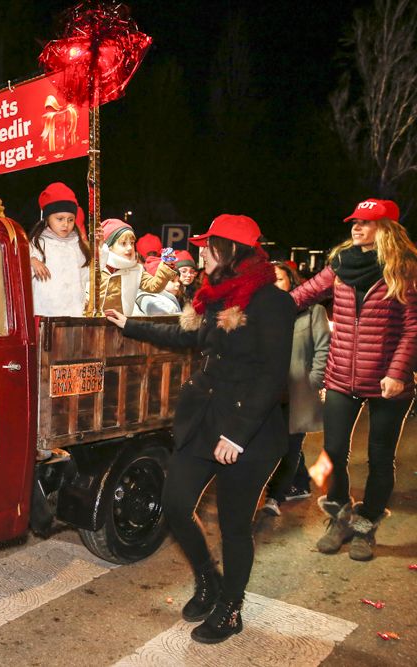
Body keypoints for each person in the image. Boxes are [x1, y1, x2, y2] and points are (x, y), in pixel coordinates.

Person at [106, 214, 294, 644]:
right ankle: (208, 580)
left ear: (229, 251)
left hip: (248, 430)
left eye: (209, 246)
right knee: (174, 504)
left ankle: (231, 608)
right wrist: (129, 324)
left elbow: (273, 376)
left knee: (233, 526)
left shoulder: (271, 302)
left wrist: (239, 435)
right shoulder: (211, 297)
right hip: (204, 419)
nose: (202, 253)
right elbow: (186, 337)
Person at [291, 198, 417, 561]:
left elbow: (412, 329)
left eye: (366, 222)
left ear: (387, 229)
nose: (356, 227)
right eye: (355, 222)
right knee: (332, 451)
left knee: (379, 458)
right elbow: (306, 292)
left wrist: (397, 373)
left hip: (387, 382)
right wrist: (270, 305)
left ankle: (366, 524)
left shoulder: (403, 269)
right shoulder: (340, 265)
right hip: (343, 375)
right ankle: (341, 515)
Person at [261, 261, 329, 516]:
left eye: (278, 279)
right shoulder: (264, 311)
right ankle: (300, 482)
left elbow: (324, 349)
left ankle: (274, 497)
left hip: (298, 390)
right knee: (275, 442)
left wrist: (313, 382)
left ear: (291, 280)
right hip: (269, 389)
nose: (274, 285)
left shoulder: (313, 312)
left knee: (289, 445)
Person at [28, 182, 94, 316]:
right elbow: (19, 270)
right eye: (60, 219)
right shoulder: (38, 244)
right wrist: (31, 261)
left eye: (70, 220)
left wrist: (98, 249)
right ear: (47, 219)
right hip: (45, 315)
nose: (66, 224)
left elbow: (87, 276)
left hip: (73, 315)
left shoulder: (77, 245)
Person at [98, 218, 176, 316]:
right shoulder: (96, 268)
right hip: (92, 325)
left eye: (132, 243)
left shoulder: (136, 270)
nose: (130, 248)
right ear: (109, 246)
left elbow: (154, 286)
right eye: (123, 243)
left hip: (121, 325)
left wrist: (165, 266)